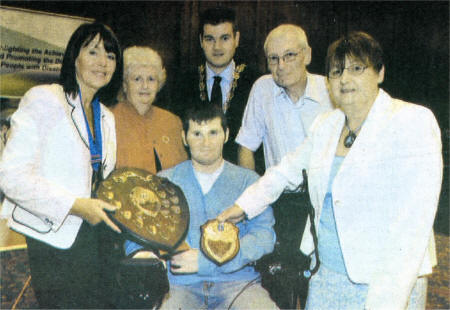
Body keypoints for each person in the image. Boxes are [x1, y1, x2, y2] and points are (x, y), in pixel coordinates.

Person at [218, 31, 443, 310]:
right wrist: (241, 206)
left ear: (380, 73)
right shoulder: (327, 124)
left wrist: (388, 301)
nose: (345, 79)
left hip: (385, 282)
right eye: (336, 72)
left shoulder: (411, 121)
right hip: (327, 274)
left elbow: (413, 226)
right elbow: (284, 171)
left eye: (357, 69)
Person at [0, 23, 123, 309]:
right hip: (51, 238)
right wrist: (74, 205)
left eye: (111, 55)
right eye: (93, 52)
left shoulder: (106, 116)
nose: (102, 62)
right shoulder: (45, 98)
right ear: (74, 58)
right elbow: (10, 175)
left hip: (96, 240)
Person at [125, 105, 278, 309]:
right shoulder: (164, 182)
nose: (205, 143)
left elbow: (264, 237)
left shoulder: (249, 182)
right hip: (178, 287)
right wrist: (145, 254)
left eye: (213, 133)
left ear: (226, 134)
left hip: (238, 283)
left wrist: (207, 262)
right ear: (184, 138)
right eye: (197, 134)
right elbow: (136, 233)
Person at [235, 24, 332, 307]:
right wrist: (257, 196)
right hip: (280, 199)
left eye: (289, 55)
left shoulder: (329, 90)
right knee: (280, 281)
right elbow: (246, 146)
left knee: (318, 277)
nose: (281, 65)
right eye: (273, 58)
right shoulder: (262, 89)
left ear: (308, 55)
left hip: (321, 198)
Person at [174, 7, 262, 171]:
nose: (217, 47)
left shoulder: (256, 82)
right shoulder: (183, 82)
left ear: (237, 39)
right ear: (201, 41)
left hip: (243, 178)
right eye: (210, 39)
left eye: (225, 38)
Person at [111, 46, 187, 173]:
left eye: (151, 79)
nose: (145, 86)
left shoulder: (172, 121)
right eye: (137, 79)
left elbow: (184, 172)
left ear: (159, 84)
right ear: (125, 85)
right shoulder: (109, 119)